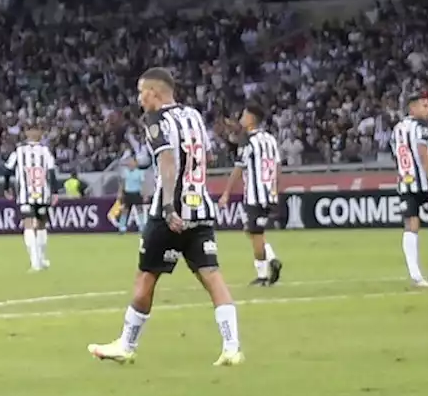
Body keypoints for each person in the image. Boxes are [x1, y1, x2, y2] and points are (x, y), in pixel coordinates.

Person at [88, 68, 243, 367]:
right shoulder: (194, 116)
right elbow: (206, 157)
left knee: (146, 277)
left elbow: (168, 164)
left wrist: (170, 208)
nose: (138, 98)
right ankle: (232, 346)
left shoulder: (156, 121)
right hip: (200, 208)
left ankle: (126, 345)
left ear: (154, 93)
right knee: (212, 275)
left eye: (140, 92)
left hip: (168, 211)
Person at [219, 103, 284, 286]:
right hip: (269, 193)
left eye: (244, 116)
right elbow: (278, 167)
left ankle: (263, 276)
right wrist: (276, 190)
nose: (241, 118)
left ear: (251, 120)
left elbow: (239, 169)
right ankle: (271, 259)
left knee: (255, 234)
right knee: (252, 231)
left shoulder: (248, 142)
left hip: (255, 196)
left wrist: (226, 193)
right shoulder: (270, 139)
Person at [391, 89, 428, 287]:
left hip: (405, 181)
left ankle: (416, 275)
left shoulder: (397, 128)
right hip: (422, 182)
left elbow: (396, 154)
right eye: (424, 105)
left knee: (411, 224)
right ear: (412, 107)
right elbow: (424, 154)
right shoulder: (420, 127)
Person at [2, 127, 57, 271]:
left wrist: (6, 188)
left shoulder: (18, 151)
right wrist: (55, 192)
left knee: (29, 225)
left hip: (25, 195)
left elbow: (7, 170)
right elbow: (52, 173)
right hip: (42, 194)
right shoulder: (45, 152)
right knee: (41, 226)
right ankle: (40, 259)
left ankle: (36, 262)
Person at [116, 160, 146, 234]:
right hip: (127, 193)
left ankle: (142, 227)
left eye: (132, 163)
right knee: (124, 210)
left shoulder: (139, 172)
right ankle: (122, 227)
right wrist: (120, 192)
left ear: (135, 164)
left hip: (136, 193)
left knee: (139, 210)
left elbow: (143, 184)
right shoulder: (125, 172)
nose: (130, 165)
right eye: (129, 163)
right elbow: (122, 183)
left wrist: (144, 194)